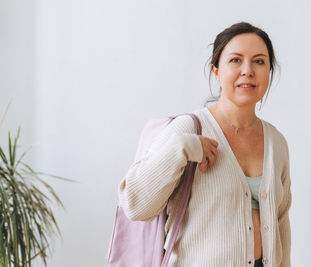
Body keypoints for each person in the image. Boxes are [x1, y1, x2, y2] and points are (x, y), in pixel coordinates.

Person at [118, 22, 291, 267]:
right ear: (216, 71)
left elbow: (281, 224)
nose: (247, 70)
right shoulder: (188, 129)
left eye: (259, 61)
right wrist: (181, 149)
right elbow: (135, 206)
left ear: (269, 72)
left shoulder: (276, 142)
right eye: (235, 60)